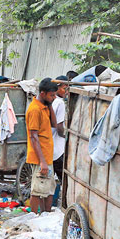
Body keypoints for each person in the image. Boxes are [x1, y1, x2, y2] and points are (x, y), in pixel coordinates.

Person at [26, 78, 58, 213]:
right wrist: (42, 162)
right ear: (43, 93)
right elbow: (34, 137)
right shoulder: (34, 110)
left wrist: (50, 104)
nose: (54, 97)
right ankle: (33, 218)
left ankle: (46, 216)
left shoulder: (44, 107)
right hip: (40, 158)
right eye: (52, 95)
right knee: (38, 189)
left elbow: (54, 124)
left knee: (49, 189)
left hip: (47, 155)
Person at [51, 75, 69, 206]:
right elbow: (59, 127)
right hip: (58, 148)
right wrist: (66, 136)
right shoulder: (60, 103)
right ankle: (65, 204)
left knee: (53, 179)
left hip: (49, 146)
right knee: (64, 179)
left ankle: (53, 203)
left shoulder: (49, 101)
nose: (66, 91)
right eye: (64, 88)